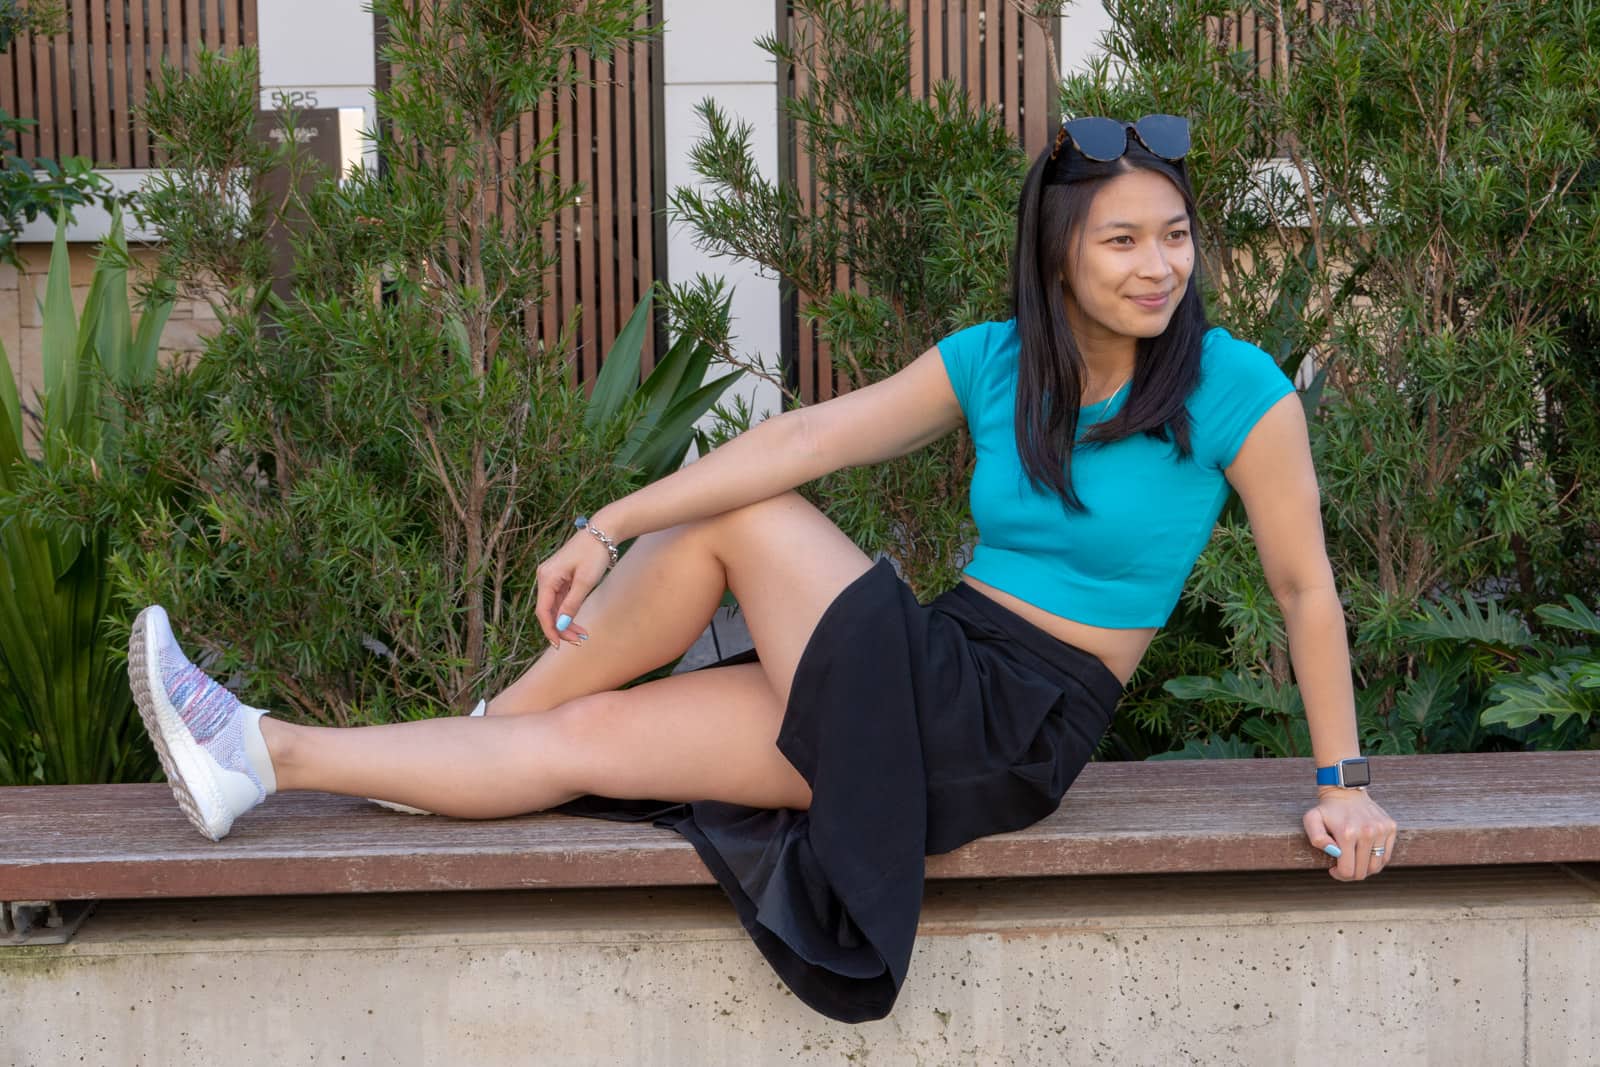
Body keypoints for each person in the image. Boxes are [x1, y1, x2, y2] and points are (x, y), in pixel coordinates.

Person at [129, 114, 1398, 1023]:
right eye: (1122, 239)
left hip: (1013, 721)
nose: (1157, 266)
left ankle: (489, 720)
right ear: (1059, 250)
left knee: (732, 523)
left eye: (1172, 235)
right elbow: (808, 430)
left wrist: (1341, 782)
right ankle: (262, 752)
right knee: (593, 740)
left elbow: (1306, 593)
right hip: (932, 662)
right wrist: (611, 516)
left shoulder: (1235, 388)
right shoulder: (1000, 357)